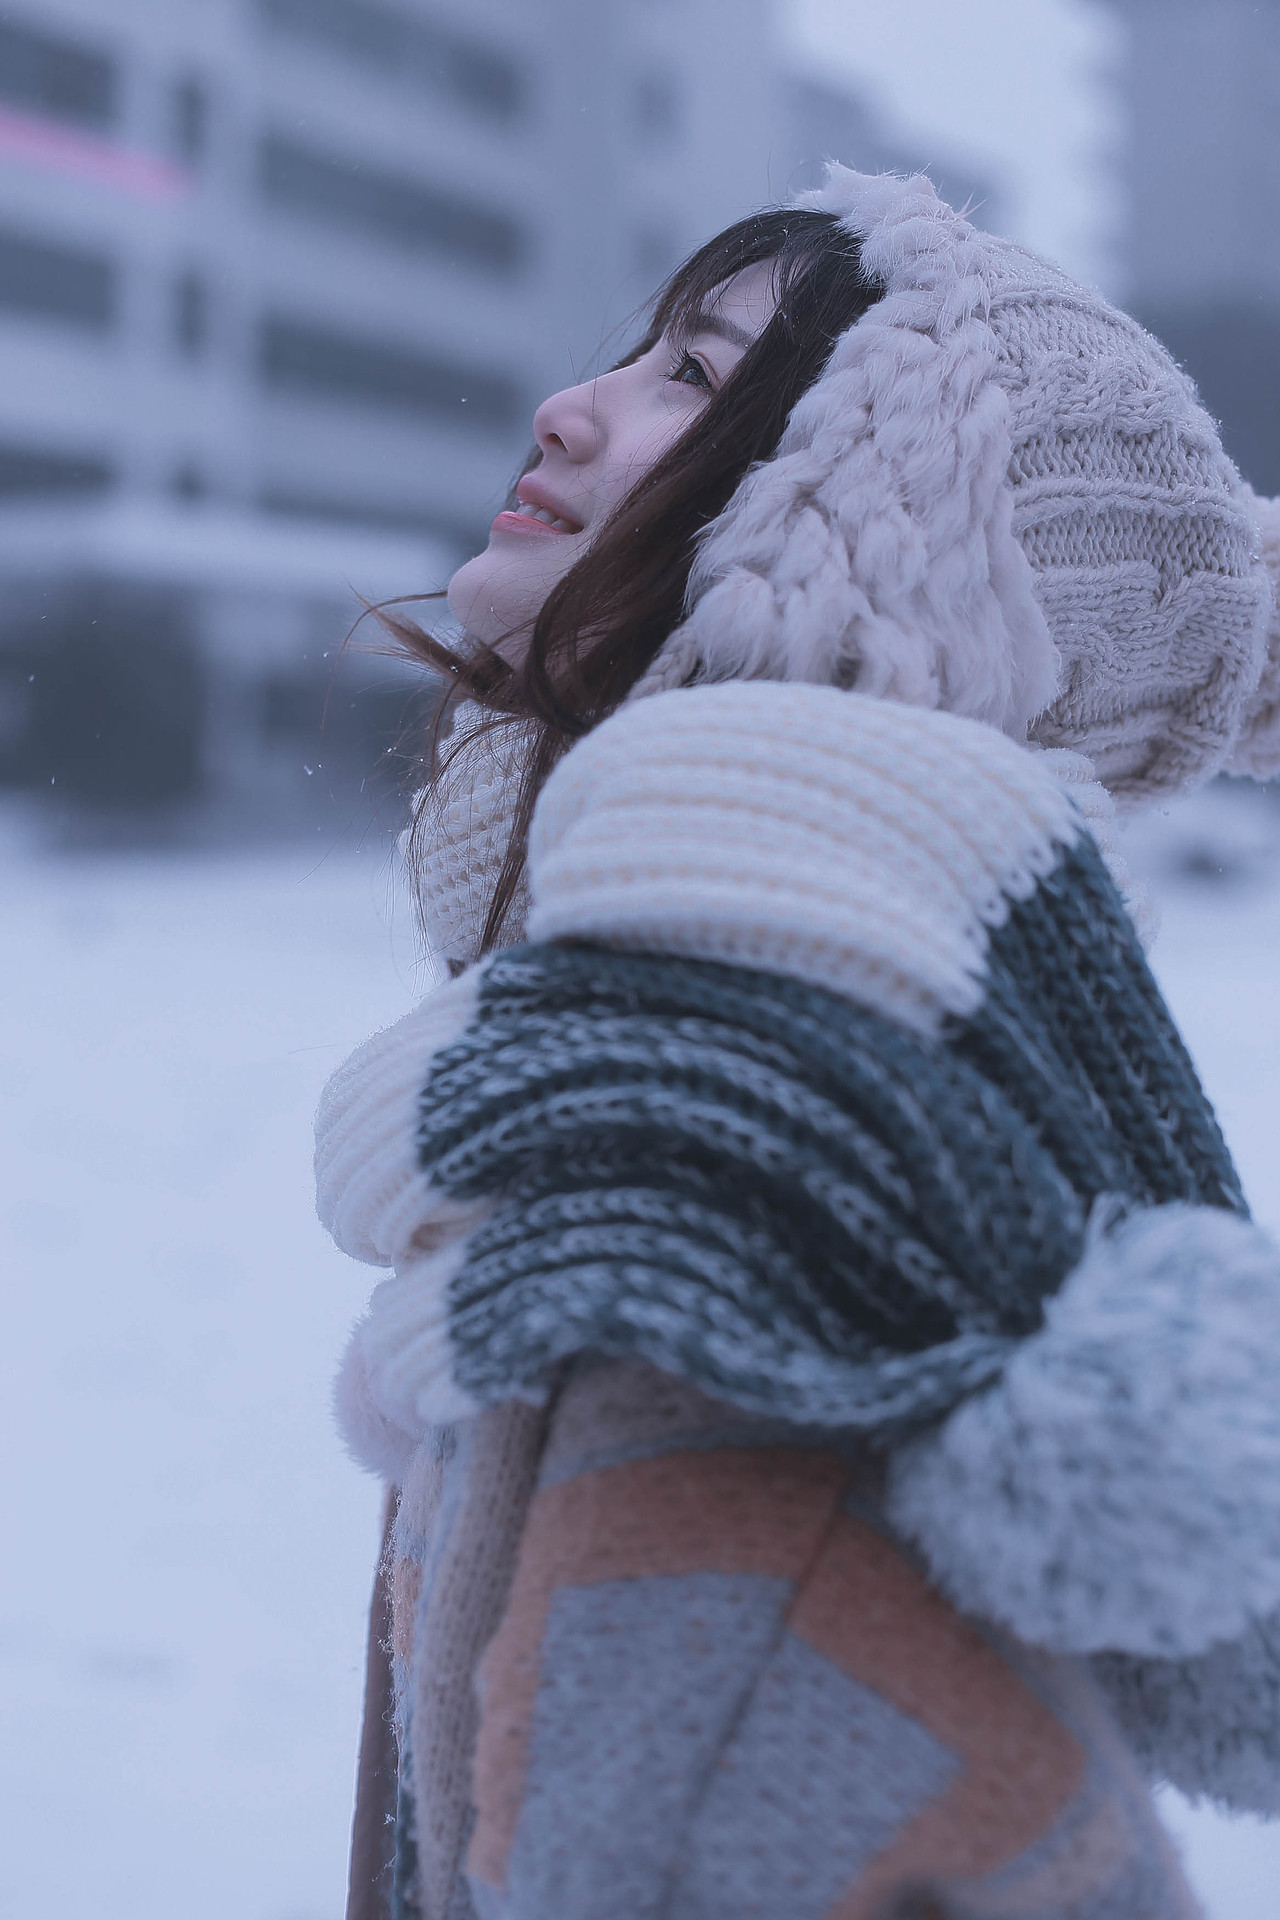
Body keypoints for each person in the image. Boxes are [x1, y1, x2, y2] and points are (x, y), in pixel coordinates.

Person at [316, 168, 1280, 1920]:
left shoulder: (731, 1251)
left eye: (694, 377)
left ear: (865, 524)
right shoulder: (650, 1136)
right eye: (645, 353)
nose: (574, 400)